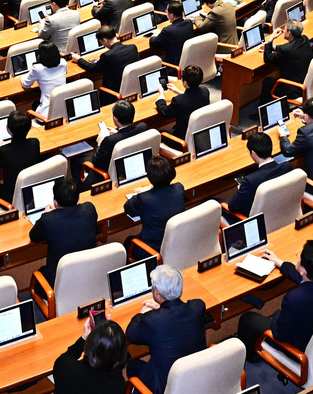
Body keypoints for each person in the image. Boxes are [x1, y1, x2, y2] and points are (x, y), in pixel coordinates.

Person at [235, 240, 313, 360]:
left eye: (300, 258)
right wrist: (280, 263)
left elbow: (280, 335)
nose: (298, 260)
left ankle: (252, 357)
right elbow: (301, 277)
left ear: (304, 271)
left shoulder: (294, 299)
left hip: (301, 348)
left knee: (248, 319)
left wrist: (276, 315)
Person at [125, 266, 210, 394]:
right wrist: (161, 308)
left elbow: (131, 333)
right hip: (196, 375)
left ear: (157, 293)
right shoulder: (198, 307)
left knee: (131, 366)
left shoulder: (152, 320)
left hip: (164, 385)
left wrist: (142, 314)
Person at [30, 176, 98, 281]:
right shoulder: (89, 209)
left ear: (55, 202)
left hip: (60, 280)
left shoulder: (48, 220)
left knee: (40, 273)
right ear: (79, 198)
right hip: (89, 273)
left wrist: (48, 215)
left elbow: (33, 236)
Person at [125, 156, 185, 260]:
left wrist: (143, 193)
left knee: (128, 241)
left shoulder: (144, 199)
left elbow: (128, 208)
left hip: (152, 248)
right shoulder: (179, 189)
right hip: (176, 242)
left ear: (149, 177)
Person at [53, 318, 129, 394]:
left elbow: (69, 354)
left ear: (89, 346)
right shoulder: (118, 385)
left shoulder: (64, 367)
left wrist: (84, 338)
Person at [225, 132, 292, 217]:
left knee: (214, 201)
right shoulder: (286, 167)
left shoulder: (250, 181)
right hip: (283, 211)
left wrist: (241, 189)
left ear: (253, 153)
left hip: (258, 218)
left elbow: (232, 207)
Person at [0, 111, 43, 202]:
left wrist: (2, 148)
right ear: (30, 127)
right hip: (31, 192)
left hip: (12, 197)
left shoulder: (3, 151)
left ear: (8, 130)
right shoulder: (35, 143)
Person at [22, 40, 67, 118]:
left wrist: (23, 76)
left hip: (46, 114)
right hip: (64, 109)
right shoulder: (63, 63)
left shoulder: (37, 68)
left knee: (34, 104)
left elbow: (26, 84)